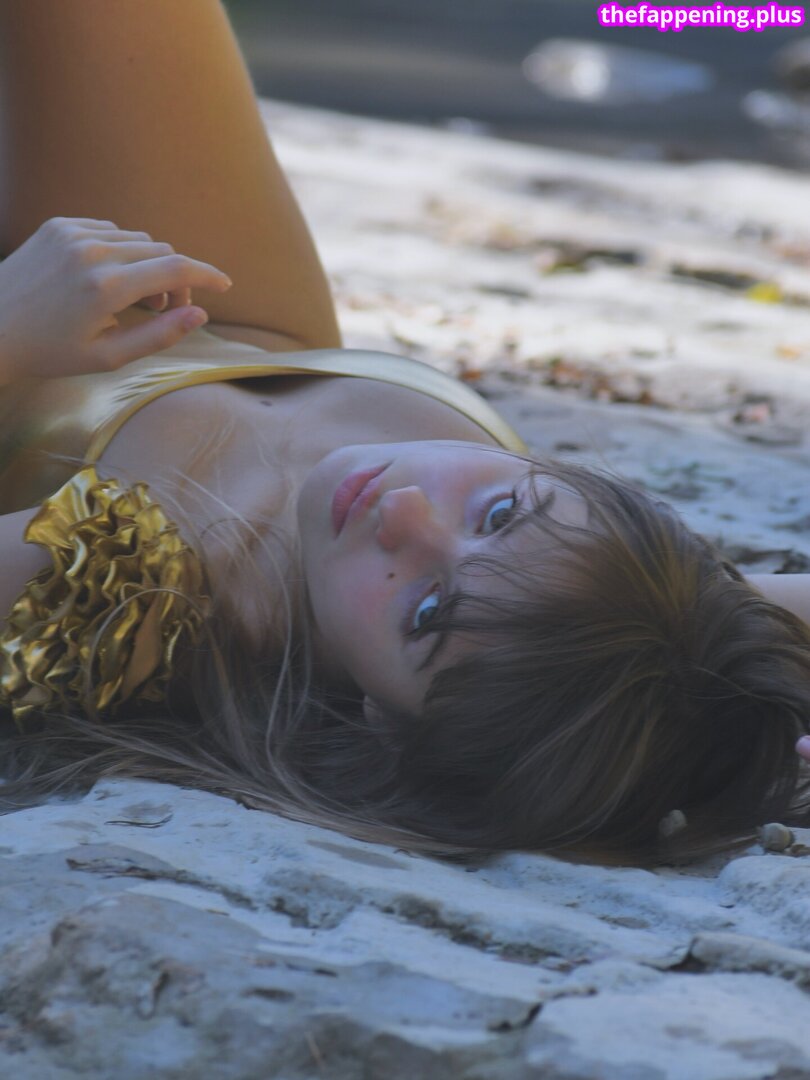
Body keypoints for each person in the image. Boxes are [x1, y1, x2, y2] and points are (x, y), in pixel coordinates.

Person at [0, 1, 808, 868]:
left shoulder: (131, 598)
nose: (408, 513)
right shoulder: (625, 618)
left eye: (424, 612)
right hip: (237, 314)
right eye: (501, 512)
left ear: (382, 720)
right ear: (602, 497)